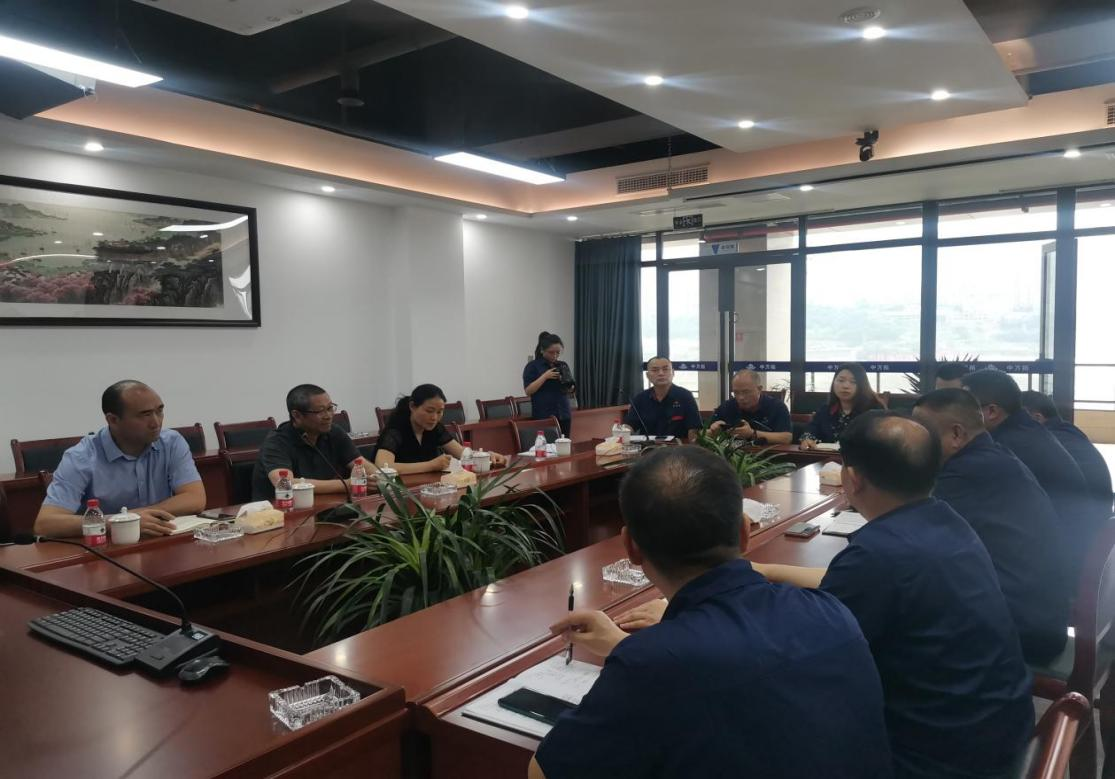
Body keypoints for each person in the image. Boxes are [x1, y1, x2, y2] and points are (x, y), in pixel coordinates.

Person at [529, 446, 893, 779]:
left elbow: (545, 772)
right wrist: (628, 647)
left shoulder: (650, 665)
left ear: (631, 548)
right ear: (745, 533)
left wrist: (634, 654)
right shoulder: (832, 613)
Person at [754, 412, 1033, 779]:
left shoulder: (878, 555)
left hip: (935, 759)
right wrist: (766, 571)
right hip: (996, 729)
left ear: (852, 478)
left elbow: (802, 656)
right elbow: (855, 584)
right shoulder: (944, 520)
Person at [912, 389, 1070, 664]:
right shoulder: (993, 456)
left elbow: (911, 539)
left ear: (956, 434)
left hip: (1021, 630)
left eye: (921, 434)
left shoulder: (966, 474)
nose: (915, 444)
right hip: (1042, 614)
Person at [963, 369, 1104, 571]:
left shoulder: (1006, 448)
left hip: (1056, 566)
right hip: (1077, 551)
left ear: (992, 412)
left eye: (963, 409)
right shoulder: (1029, 432)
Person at [35, 380, 206, 538]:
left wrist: (138, 516)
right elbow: (46, 524)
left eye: (159, 411)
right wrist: (121, 521)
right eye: (144, 415)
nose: (156, 422)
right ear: (113, 420)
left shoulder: (171, 443)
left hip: (158, 542)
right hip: (105, 549)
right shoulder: (81, 456)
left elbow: (195, 498)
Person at [251, 384, 367, 501]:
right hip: (280, 509)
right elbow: (286, 483)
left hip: (325, 504)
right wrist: (347, 484)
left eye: (330, 408)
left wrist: (375, 477)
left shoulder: (334, 432)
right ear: (297, 415)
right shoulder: (276, 442)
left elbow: (360, 464)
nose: (328, 416)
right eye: (320, 411)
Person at [375, 384, 507, 474]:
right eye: (429, 411)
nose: (434, 417)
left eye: (439, 412)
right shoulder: (395, 431)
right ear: (412, 406)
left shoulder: (435, 428)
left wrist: (486, 456)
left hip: (428, 486)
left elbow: (462, 453)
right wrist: (431, 465)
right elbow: (383, 466)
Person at [1021, 390, 1113, 509]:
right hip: (1098, 510)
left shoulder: (1050, 441)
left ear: (1037, 418)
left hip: (1082, 515)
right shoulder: (1067, 432)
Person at [800, 363, 883, 449]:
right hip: (827, 457)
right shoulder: (825, 410)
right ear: (833, 383)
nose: (845, 386)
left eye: (853, 382)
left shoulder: (874, 410)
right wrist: (807, 439)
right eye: (841, 380)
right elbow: (811, 430)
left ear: (862, 385)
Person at [623, 356, 700, 441]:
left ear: (673, 373)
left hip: (678, 447)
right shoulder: (640, 398)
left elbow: (694, 429)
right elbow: (630, 425)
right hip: (647, 447)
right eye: (655, 370)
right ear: (648, 375)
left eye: (665, 369)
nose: (661, 373)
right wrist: (622, 431)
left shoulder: (685, 396)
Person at [709, 369, 792, 444]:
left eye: (746, 392)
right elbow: (704, 433)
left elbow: (786, 438)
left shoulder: (777, 407)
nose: (741, 397)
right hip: (731, 453)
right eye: (736, 392)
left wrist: (752, 434)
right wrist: (714, 430)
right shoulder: (727, 406)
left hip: (766, 454)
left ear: (759, 389)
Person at [523, 332, 574, 437]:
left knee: (564, 443)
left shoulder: (562, 365)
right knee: (546, 444)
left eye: (558, 352)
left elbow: (571, 389)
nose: (555, 355)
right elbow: (528, 391)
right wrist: (545, 376)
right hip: (544, 414)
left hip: (563, 412)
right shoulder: (533, 366)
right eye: (551, 352)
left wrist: (569, 386)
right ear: (542, 350)